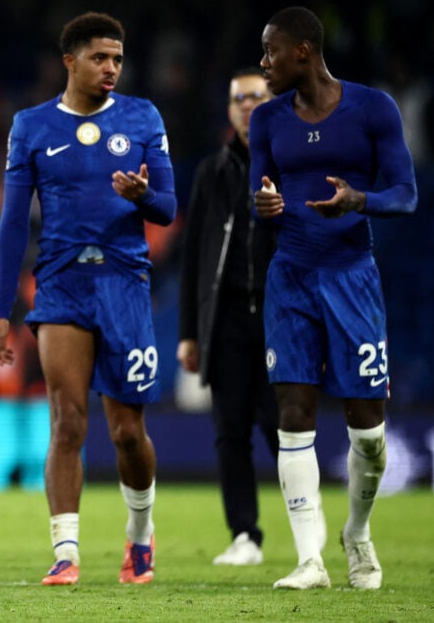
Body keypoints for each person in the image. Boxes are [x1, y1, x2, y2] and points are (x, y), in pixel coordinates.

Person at [0, 12, 176, 586]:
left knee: (125, 431)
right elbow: (13, 223)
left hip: (124, 285)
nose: (112, 68)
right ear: (70, 61)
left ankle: (139, 537)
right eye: (100, 58)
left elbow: (168, 208)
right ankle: (65, 553)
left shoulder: (143, 117)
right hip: (62, 286)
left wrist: (144, 196)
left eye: (118, 59)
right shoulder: (32, 126)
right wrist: (1, 312)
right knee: (67, 422)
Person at [250, 6, 417, 590]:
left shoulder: (373, 108)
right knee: (292, 416)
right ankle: (309, 560)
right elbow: (259, 191)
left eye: (270, 51)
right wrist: (264, 204)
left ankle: (358, 534)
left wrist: (359, 201)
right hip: (290, 274)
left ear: (303, 51)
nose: (263, 63)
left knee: (367, 431)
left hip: (352, 275)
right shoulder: (266, 120)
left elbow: (406, 194)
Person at [177, 67, 279, 566]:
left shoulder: (290, 164)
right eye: (239, 99)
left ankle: (310, 529)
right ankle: (245, 535)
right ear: (229, 108)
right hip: (227, 323)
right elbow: (193, 257)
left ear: (272, 101)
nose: (246, 106)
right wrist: (188, 334)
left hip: (280, 323)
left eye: (256, 97)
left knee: (285, 430)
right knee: (230, 433)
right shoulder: (210, 172)